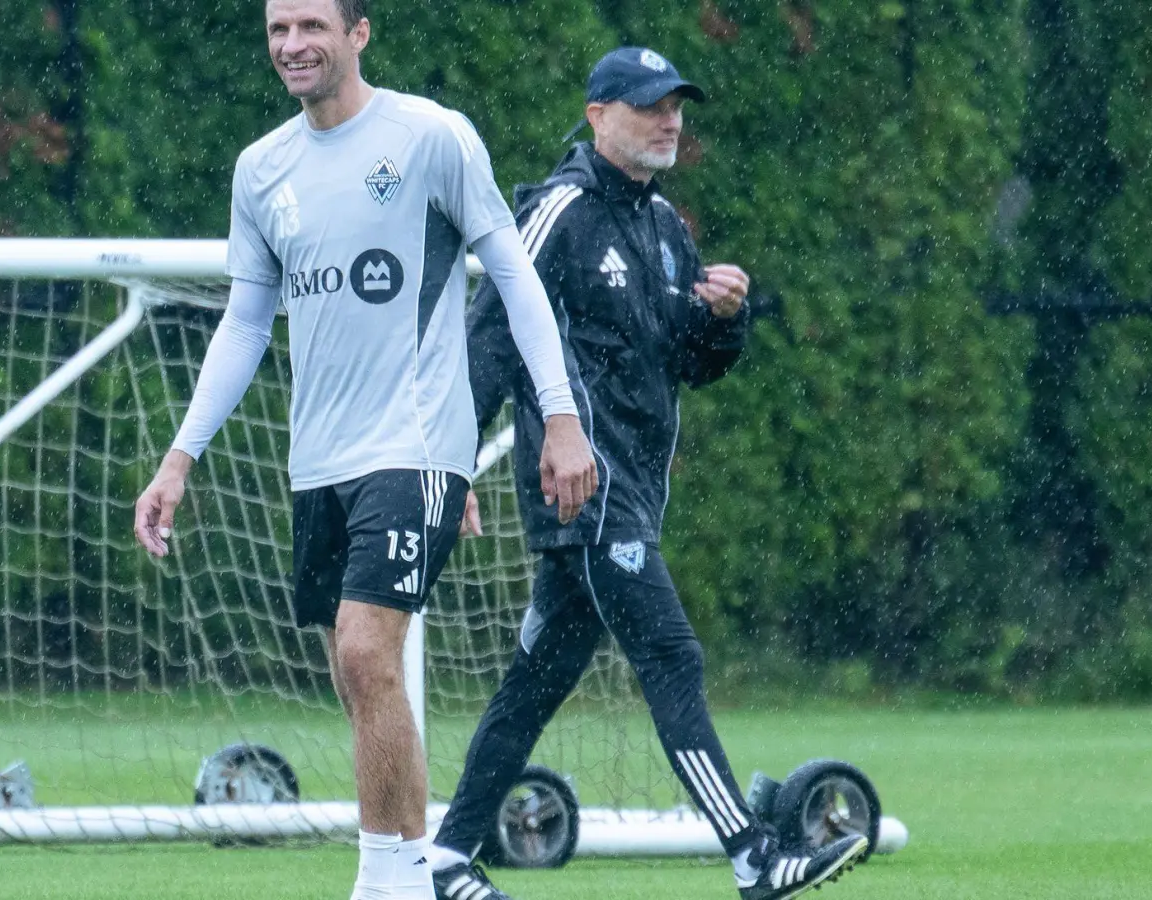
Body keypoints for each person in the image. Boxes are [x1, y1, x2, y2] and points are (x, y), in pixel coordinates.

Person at [132, 3, 597, 898]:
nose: (293, 45)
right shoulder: (261, 170)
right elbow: (244, 322)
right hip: (322, 461)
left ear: (359, 33)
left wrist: (561, 414)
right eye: (277, 30)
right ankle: (405, 873)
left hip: (417, 441)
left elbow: (512, 276)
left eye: (312, 25)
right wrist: (178, 457)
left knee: (363, 651)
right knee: (354, 675)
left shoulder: (430, 138)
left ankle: (391, 883)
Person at [427, 48, 866, 900]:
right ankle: (752, 854)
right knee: (671, 655)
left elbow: (688, 363)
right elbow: (490, 333)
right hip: (586, 498)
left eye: (676, 107)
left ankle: (445, 859)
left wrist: (723, 320)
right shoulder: (560, 209)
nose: (669, 120)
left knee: (534, 684)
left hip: (632, 496)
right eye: (648, 106)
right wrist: (451, 464)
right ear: (598, 116)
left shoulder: (665, 227)